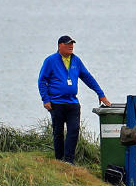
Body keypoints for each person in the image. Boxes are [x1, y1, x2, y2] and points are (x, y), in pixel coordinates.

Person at [37, 35, 110, 164]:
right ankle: (59, 160)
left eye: (72, 44)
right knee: (58, 132)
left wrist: (100, 94)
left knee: (74, 130)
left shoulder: (76, 60)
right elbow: (42, 80)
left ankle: (69, 160)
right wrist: (45, 99)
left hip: (72, 103)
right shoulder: (50, 60)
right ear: (60, 46)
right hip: (56, 103)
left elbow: (87, 77)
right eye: (68, 44)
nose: (71, 46)